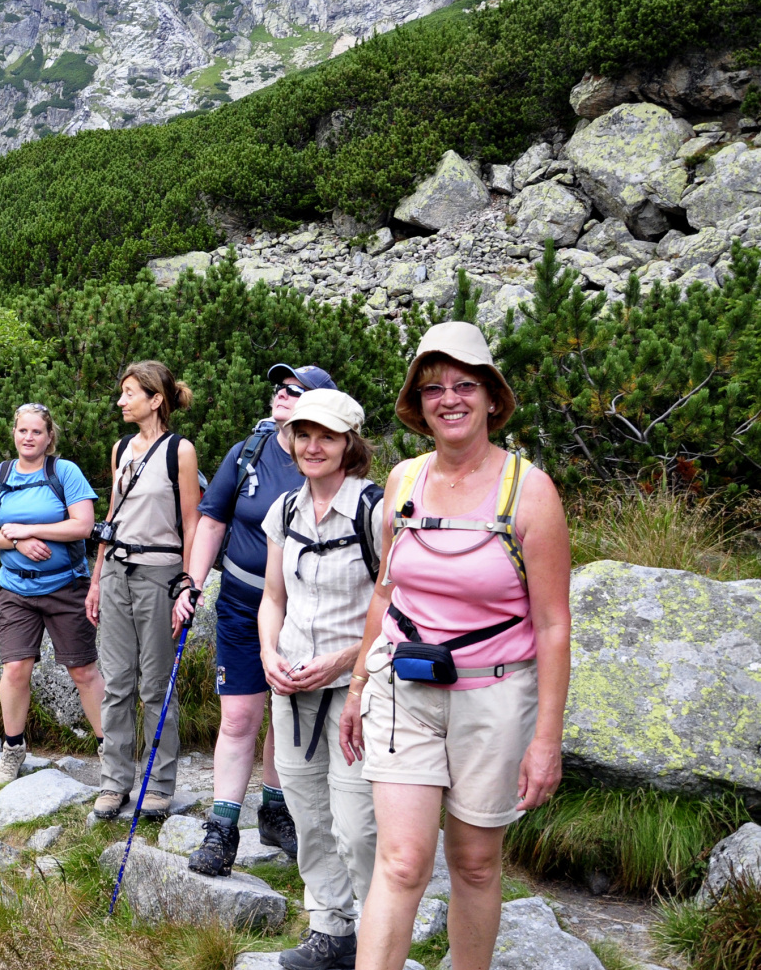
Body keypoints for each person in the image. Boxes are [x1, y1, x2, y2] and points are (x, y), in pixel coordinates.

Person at [338, 321, 570, 970]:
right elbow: (385, 594)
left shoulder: (531, 492)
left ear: (492, 397)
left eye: (465, 384)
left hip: (495, 695)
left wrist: (545, 739)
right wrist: (357, 685)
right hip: (401, 687)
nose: (450, 398)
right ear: (418, 402)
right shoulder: (402, 483)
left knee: (473, 861)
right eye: (434, 386)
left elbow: (553, 624)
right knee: (403, 858)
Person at [175, 362, 337, 873]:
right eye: (279, 388)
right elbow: (212, 517)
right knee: (241, 715)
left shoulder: (327, 459)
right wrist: (192, 582)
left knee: (285, 711)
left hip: (305, 609)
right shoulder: (250, 451)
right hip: (242, 604)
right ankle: (222, 830)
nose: (281, 396)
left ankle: (274, 809)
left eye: (296, 390)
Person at [258, 389, 382, 970]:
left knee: (357, 825)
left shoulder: (375, 511)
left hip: (360, 691)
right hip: (290, 689)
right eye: (303, 435)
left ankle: (378, 934)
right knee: (308, 815)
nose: (312, 446)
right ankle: (331, 932)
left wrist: (341, 663)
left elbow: (400, 612)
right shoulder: (283, 511)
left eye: (326, 436)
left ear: (348, 444)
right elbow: (272, 598)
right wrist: (267, 653)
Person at [85, 361, 202, 821]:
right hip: (115, 573)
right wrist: (96, 580)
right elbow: (110, 521)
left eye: (129, 392)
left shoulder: (181, 451)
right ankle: (114, 783)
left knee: (155, 687)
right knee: (116, 684)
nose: (120, 400)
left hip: (160, 575)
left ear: (156, 399)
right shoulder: (120, 449)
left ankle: (158, 786)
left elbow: (192, 522)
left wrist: (187, 584)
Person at [0, 403, 102, 784]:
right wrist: (16, 545)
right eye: (22, 431)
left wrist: (27, 532)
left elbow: (83, 525)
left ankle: (110, 749)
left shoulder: (64, 472)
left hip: (66, 585)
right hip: (15, 588)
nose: (28, 438)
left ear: (49, 437)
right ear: (14, 433)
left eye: (36, 432)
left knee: (83, 669)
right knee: (14, 669)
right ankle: (13, 749)